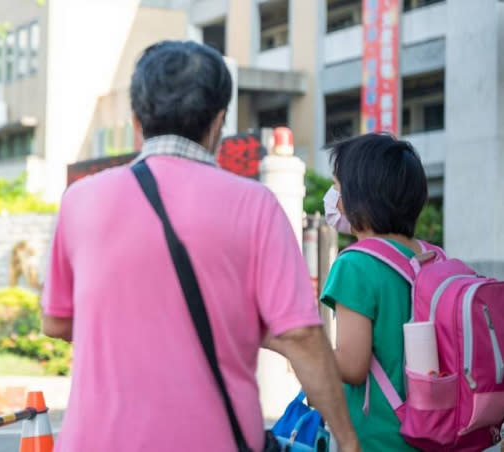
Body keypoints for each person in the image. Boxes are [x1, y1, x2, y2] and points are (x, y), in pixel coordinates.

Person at [41, 40, 360, 452]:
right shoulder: (255, 205)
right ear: (219, 122)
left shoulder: (81, 200)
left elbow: (57, 323)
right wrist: (349, 443)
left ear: (137, 120)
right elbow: (300, 336)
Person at [319, 133, 429, 451]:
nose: (334, 199)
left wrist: (299, 349)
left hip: (381, 440)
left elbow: (352, 366)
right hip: (436, 434)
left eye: (338, 188)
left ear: (360, 197)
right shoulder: (431, 257)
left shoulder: (356, 265)